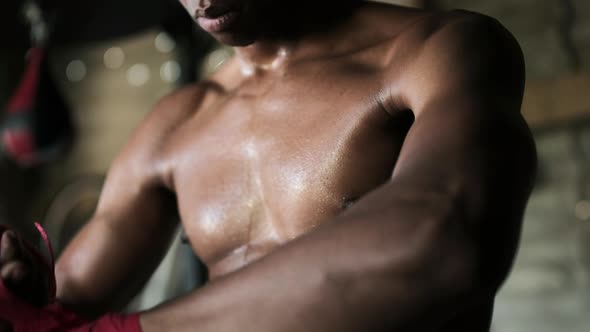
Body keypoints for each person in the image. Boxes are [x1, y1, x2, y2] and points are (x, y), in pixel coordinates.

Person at [0, 0, 537, 331]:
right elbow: (64, 305)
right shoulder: (178, 123)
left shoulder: (435, 51)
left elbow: (446, 238)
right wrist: (19, 297)